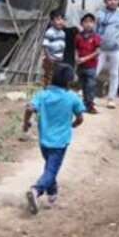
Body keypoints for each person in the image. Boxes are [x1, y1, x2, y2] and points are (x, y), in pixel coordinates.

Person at [23, 63, 85, 214]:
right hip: (60, 142)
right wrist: (74, 124)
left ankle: (52, 193)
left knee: (50, 167)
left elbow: (30, 108)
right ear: (69, 82)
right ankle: (36, 190)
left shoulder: (42, 95)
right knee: (52, 169)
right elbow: (80, 117)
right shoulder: (72, 98)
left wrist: (26, 123)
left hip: (44, 141)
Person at [74, 13, 101, 114]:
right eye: (85, 22)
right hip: (81, 65)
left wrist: (85, 58)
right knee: (84, 85)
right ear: (81, 24)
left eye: (90, 22)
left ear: (94, 24)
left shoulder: (96, 37)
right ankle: (85, 104)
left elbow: (97, 51)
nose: (88, 24)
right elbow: (76, 48)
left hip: (91, 65)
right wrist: (76, 57)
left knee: (91, 85)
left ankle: (91, 105)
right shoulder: (78, 37)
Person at [41, 9, 66, 87]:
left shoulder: (62, 33)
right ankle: (46, 90)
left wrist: (62, 56)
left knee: (57, 76)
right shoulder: (50, 32)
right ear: (52, 21)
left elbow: (62, 45)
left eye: (62, 19)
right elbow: (45, 46)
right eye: (58, 19)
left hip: (59, 58)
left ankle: (54, 91)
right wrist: (48, 58)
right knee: (49, 76)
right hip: (50, 59)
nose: (61, 21)